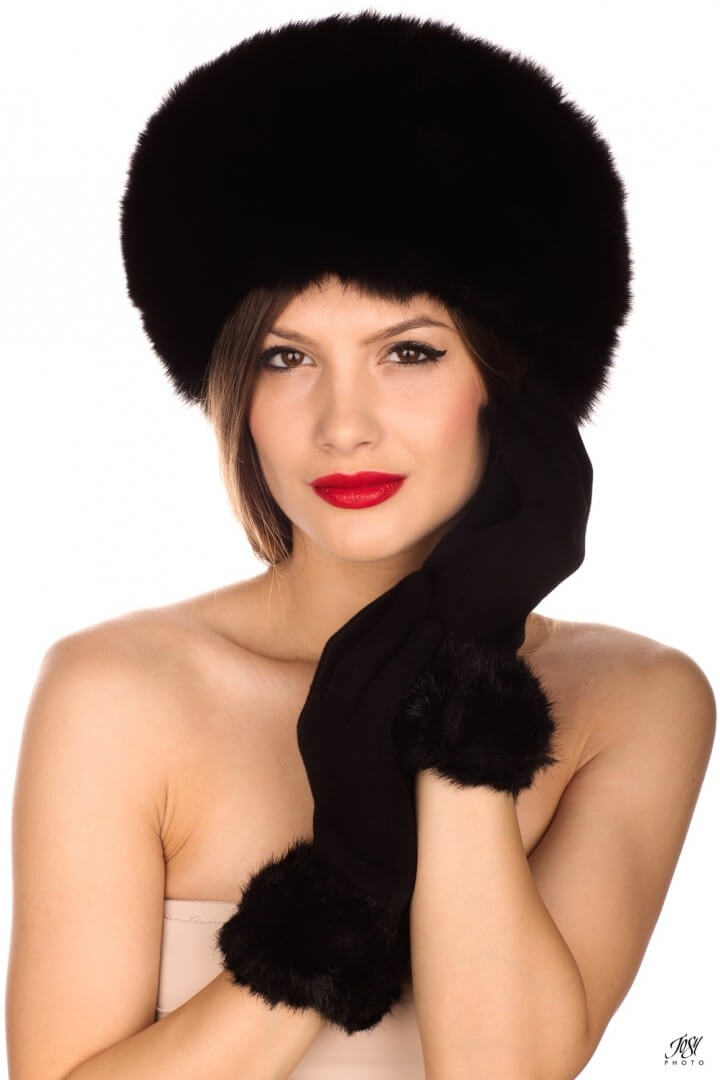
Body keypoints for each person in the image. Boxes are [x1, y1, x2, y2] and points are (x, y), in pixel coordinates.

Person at [6, 12, 715, 1080]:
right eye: (288, 356)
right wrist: (341, 888)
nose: (344, 425)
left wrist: (466, 696)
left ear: (516, 388)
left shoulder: (637, 701)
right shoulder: (115, 692)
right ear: (236, 390)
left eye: (409, 353)